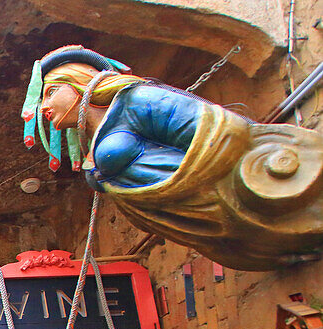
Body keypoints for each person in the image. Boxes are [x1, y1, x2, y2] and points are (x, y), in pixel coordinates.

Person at [25, 44, 323, 270]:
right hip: (198, 222)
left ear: (77, 83)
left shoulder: (137, 101)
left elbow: (219, 131)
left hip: (219, 196)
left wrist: (205, 185)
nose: (44, 108)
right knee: (257, 247)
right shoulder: (97, 137)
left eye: (50, 93)